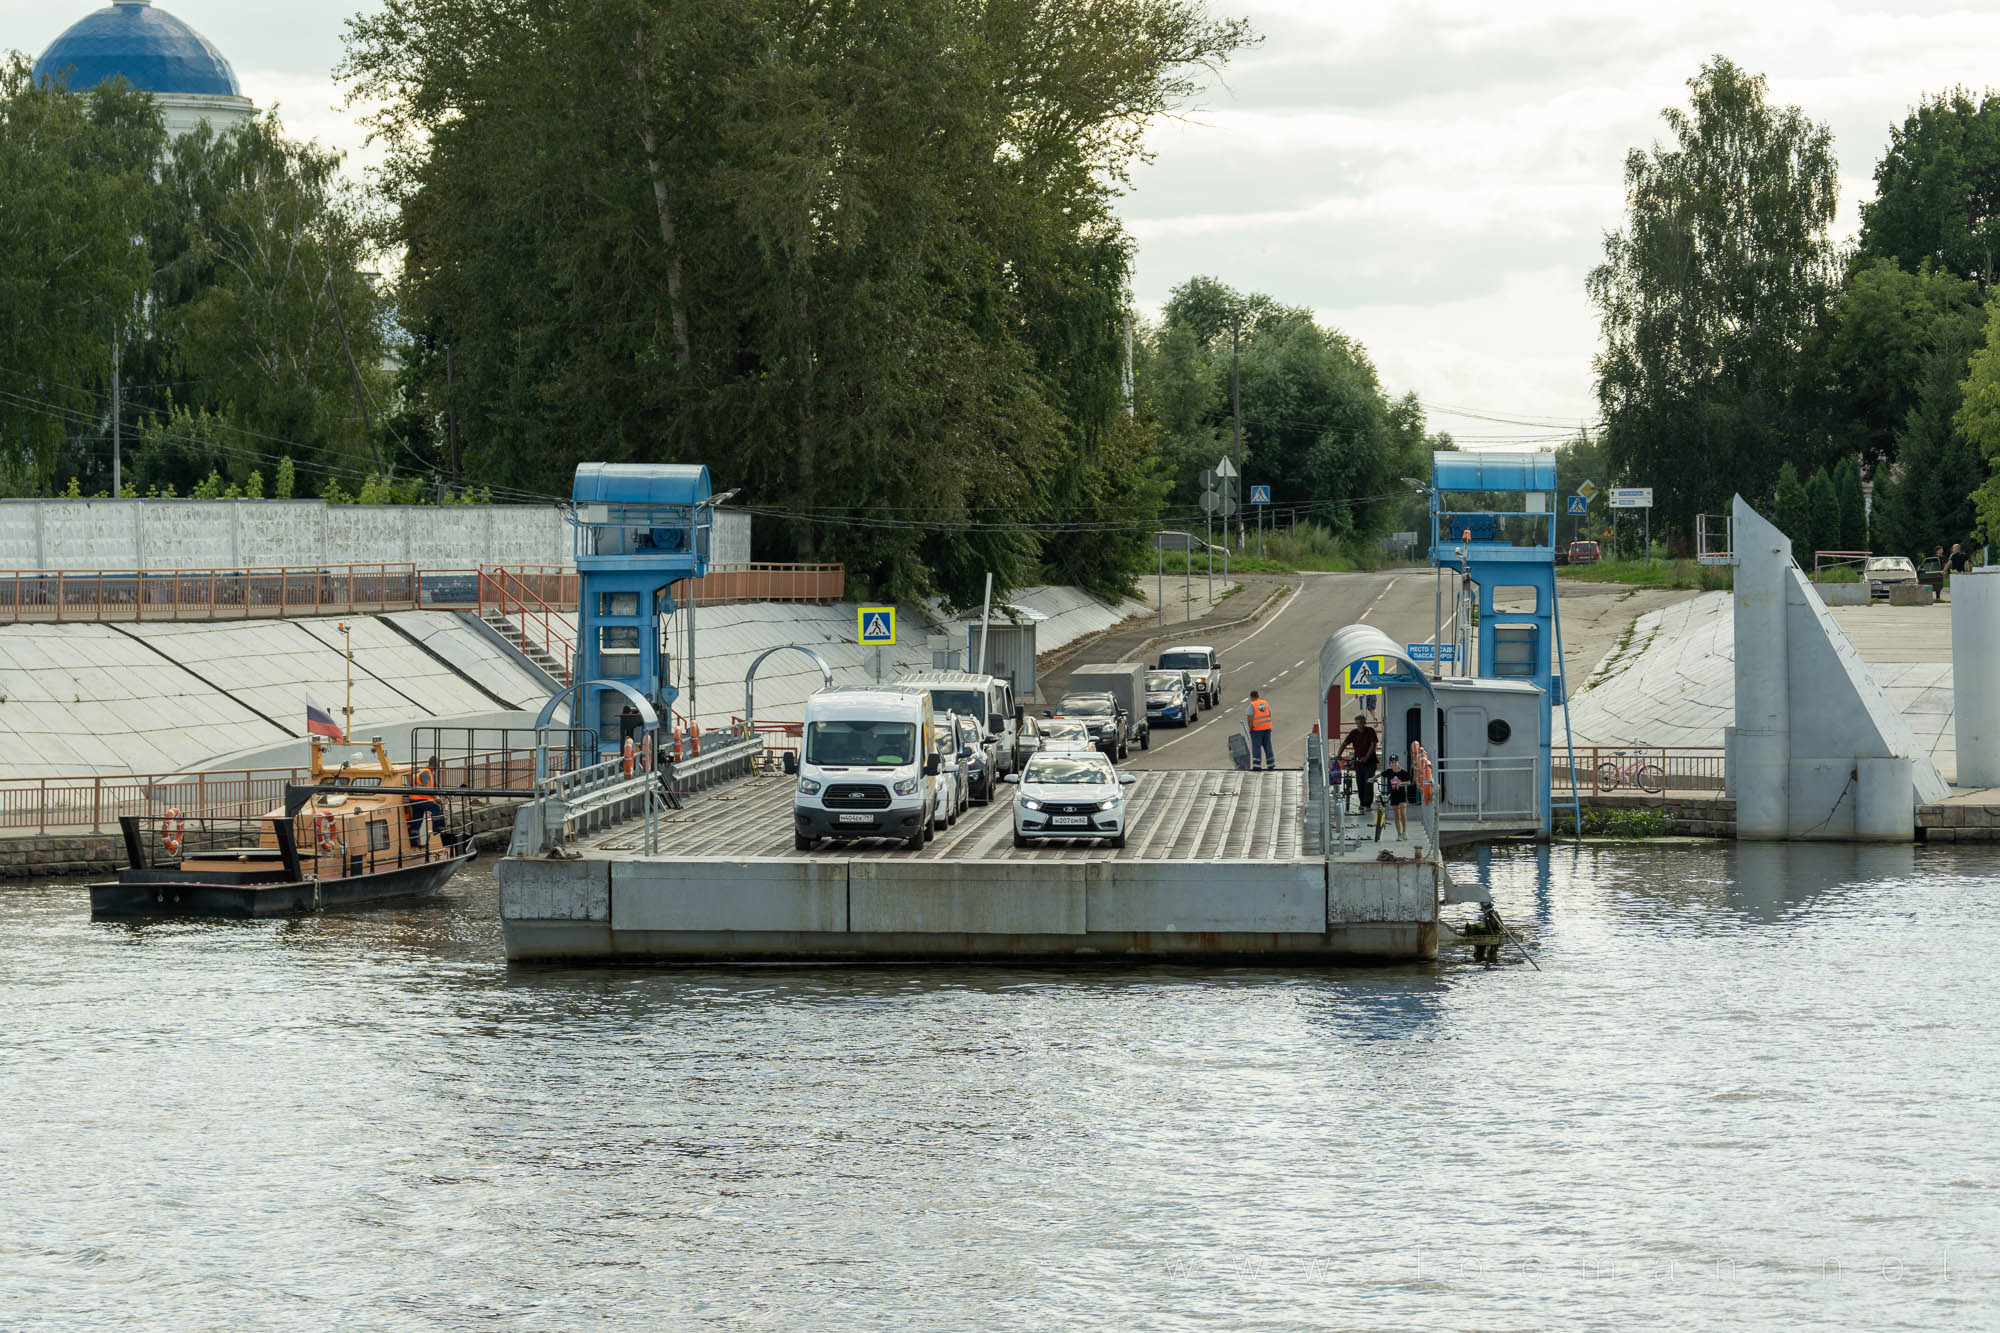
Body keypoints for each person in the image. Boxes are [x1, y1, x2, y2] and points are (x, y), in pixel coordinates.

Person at [1338, 712, 1379, 810]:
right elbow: (1344, 743)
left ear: (1364, 723)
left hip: (1370, 762)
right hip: (1358, 762)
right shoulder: (1354, 733)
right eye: (1357, 723)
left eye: (1361, 723)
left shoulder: (1370, 731)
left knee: (1368, 782)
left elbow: (1373, 745)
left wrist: (1366, 756)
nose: (1359, 725)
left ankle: (1368, 804)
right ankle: (1362, 803)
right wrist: (1339, 754)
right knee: (1360, 783)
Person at [1245, 690, 1275, 771]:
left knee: (1256, 747)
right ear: (1258, 696)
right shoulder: (1265, 703)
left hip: (1257, 730)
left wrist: (1250, 728)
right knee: (1267, 745)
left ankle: (1256, 765)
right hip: (1267, 728)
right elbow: (1269, 714)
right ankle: (1271, 764)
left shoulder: (1252, 705)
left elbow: (1250, 718)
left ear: (1251, 697)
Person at [1384, 756, 1410, 838]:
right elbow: (1379, 774)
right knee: (1396, 815)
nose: (1394, 764)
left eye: (1395, 762)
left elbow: (1409, 782)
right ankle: (1399, 834)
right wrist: (1372, 778)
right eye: (1392, 762)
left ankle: (1405, 832)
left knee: (1403, 814)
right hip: (1393, 795)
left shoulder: (1403, 773)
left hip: (1402, 794)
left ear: (1398, 762)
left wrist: (1401, 783)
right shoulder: (1388, 772)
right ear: (1389, 764)